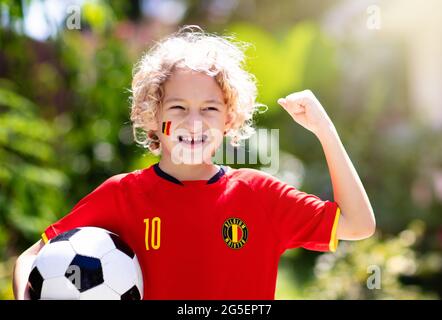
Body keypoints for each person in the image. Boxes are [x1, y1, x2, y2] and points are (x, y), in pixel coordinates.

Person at [13, 25, 375, 300]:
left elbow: (358, 224)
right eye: (178, 108)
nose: (194, 122)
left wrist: (324, 129)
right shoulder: (121, 195)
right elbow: (31, 258)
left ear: (229, 119)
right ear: (153, 116)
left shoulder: (260, 195)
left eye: (210, 109)